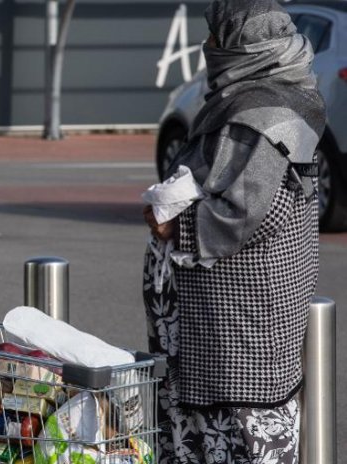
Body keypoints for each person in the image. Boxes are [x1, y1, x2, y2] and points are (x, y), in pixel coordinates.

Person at [142, 1, 326, 463]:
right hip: (242, 328)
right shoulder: (285, 90)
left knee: (232, 443)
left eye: (216, 37)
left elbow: (249, 211)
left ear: (241, 47)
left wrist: (174, 226)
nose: (208, 47)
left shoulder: (259, 113)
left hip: (235, 336)